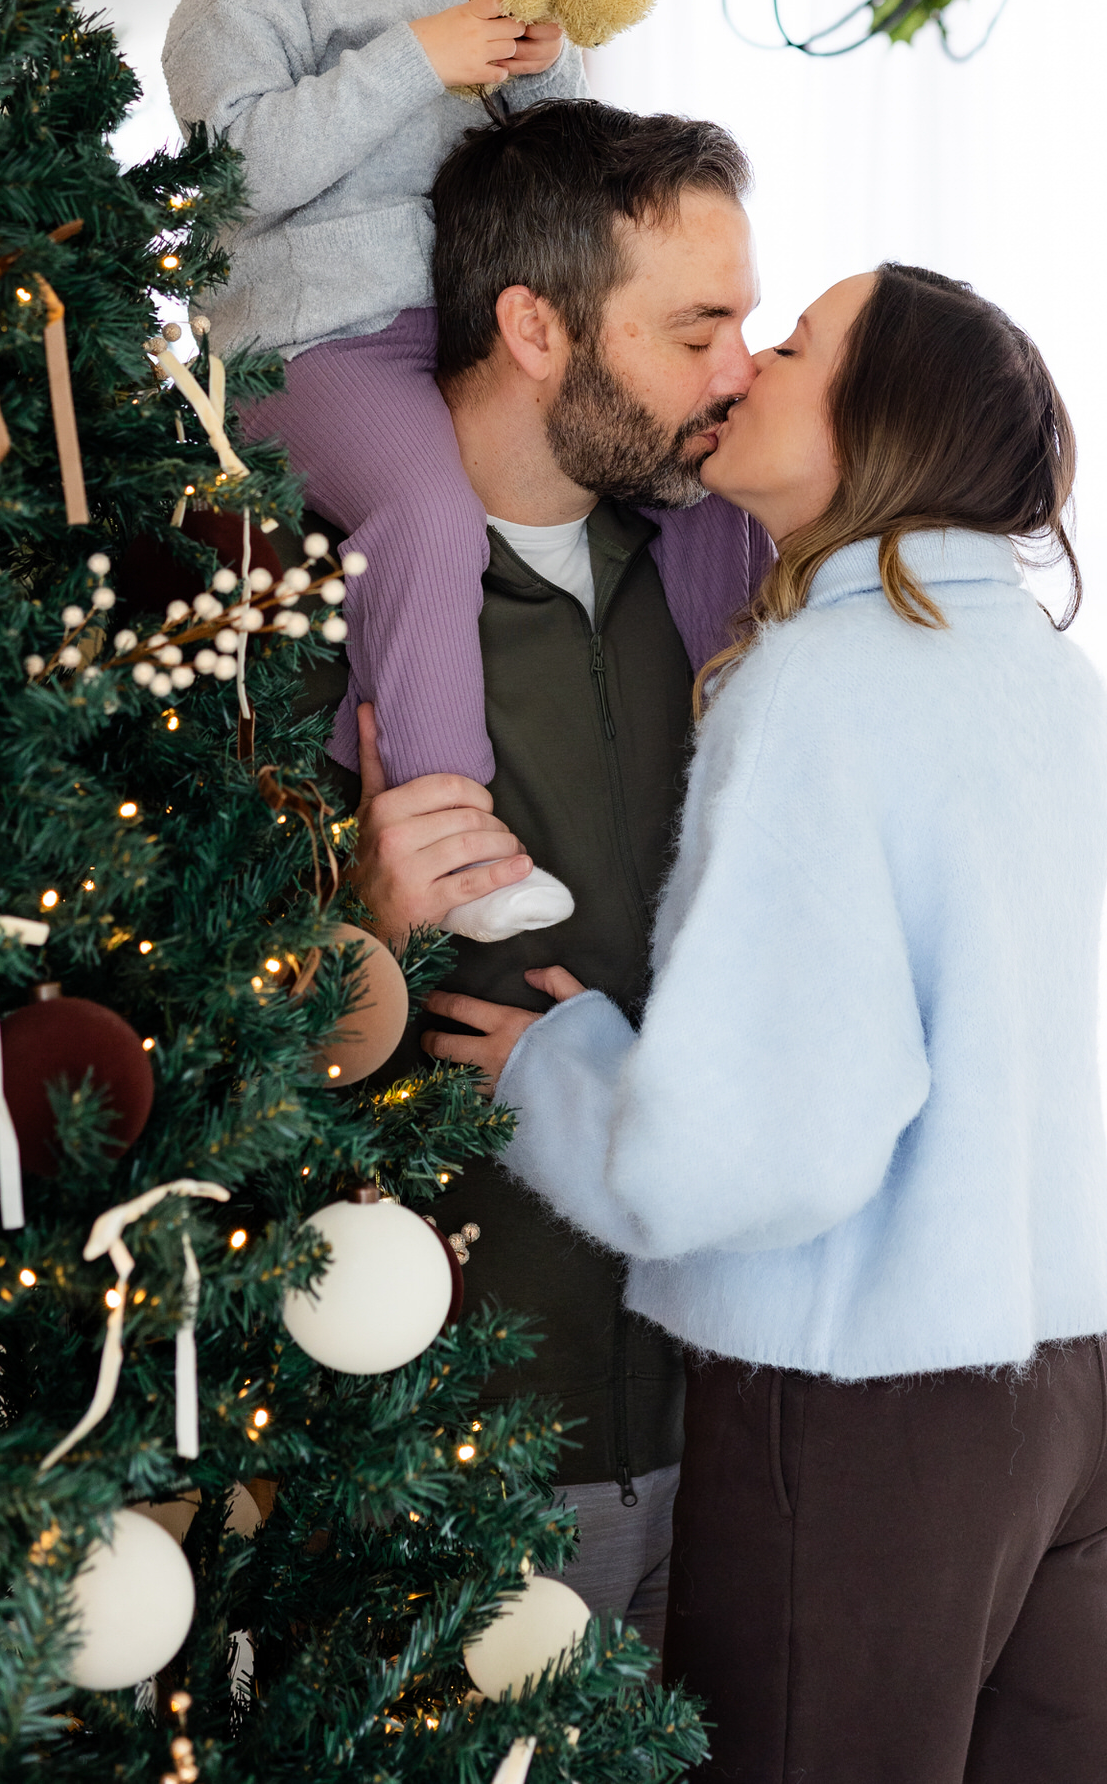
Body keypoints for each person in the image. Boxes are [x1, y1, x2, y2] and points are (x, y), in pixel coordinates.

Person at [424, 264, 1107, 1784]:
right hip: (1071, 1377)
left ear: (876, 422)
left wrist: (556, 1073)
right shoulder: (1042, 672)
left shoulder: (822, 684)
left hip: (869, 1416)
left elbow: (748, 1156)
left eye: (794, 346)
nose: (744, 366)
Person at [342, 98, 773, 1654]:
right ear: (535, 326)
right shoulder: (300, 598)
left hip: (725, 1419)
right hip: (455, 1435)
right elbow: (168, 1029)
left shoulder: (719, 582)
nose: (740, 371)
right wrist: (366, 931)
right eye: (697, 329)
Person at [162, 0, 585, 943]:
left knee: (633, 478)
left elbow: (549, 166)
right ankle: (452, 841)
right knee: (422, 513)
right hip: (311, 338)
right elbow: (237, 177)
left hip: (457, 327)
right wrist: (416, 58)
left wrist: (547, 65)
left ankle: (382, 741)